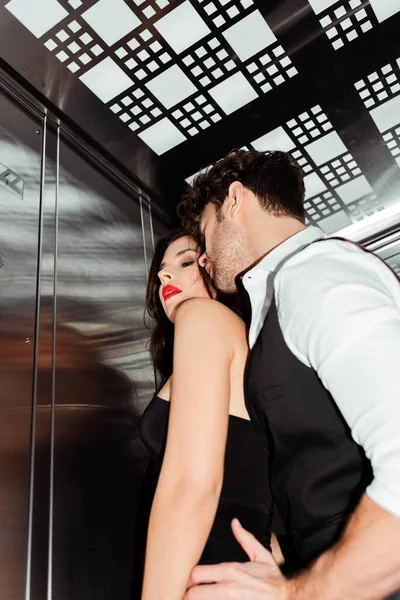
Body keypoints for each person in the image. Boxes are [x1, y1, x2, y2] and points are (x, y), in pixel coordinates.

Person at [178, 149, 400, 600]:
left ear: (235, 201)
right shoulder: (282, 297)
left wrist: (302, 592)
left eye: (206, 232)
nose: (204, 258)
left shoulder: (316, 276)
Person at [138, 229, 281, 600]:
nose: (164, 277)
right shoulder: (241, 345)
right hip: (217, 575)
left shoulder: (203, 316)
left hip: (205, 575)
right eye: (162, 272)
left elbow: (193, 486)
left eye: (185, 262)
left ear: (215, 269)